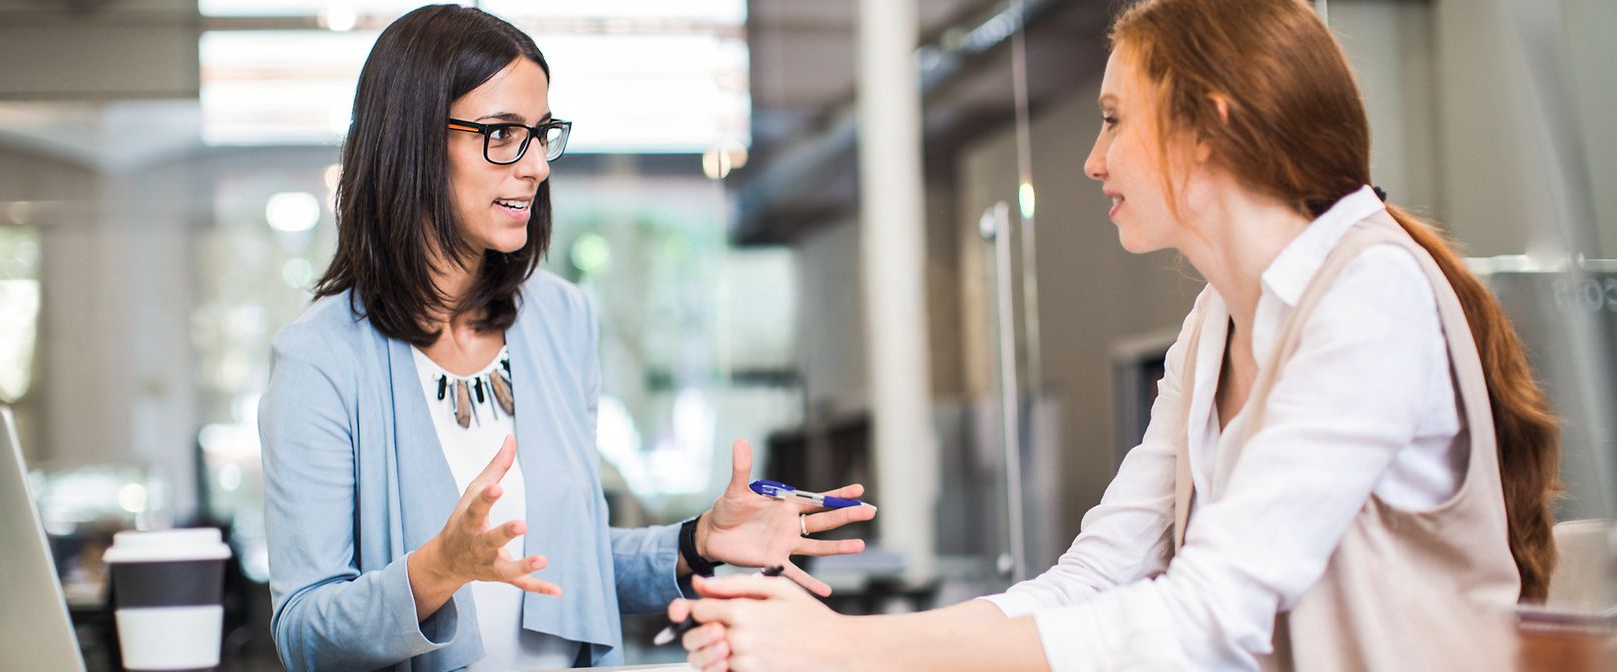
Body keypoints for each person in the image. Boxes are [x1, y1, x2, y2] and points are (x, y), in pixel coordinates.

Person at [669, 0, 1562, 669]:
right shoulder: (1214, 324)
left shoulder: (1372, 296)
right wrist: (842, 640)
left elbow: (1209, 614)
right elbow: (1094, 581)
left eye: (1112, 118)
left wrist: (842, 651)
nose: (1093, 160)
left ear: (1205, 124)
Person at [257, 6, 876, 671]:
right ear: (409, 140)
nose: (534, 167)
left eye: (540, 134)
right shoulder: (320, 359)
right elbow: (304, 633)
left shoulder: (560, 318)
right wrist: (435, 571)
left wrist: (698, 542)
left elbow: (566, 563)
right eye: (500, 134)